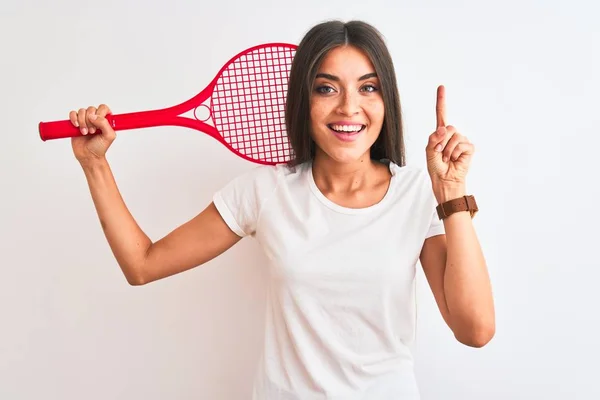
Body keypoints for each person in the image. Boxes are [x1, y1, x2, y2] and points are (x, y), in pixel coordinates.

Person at [68, 20, 495, 400]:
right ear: (302, 101)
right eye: (326, 88)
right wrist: (95, 164)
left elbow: (474, 330)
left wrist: (451, 191)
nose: (349, 107)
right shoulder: (264, 191)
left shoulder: (418, 193)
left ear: (387, 101)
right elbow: (142, 264)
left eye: (368, 87)